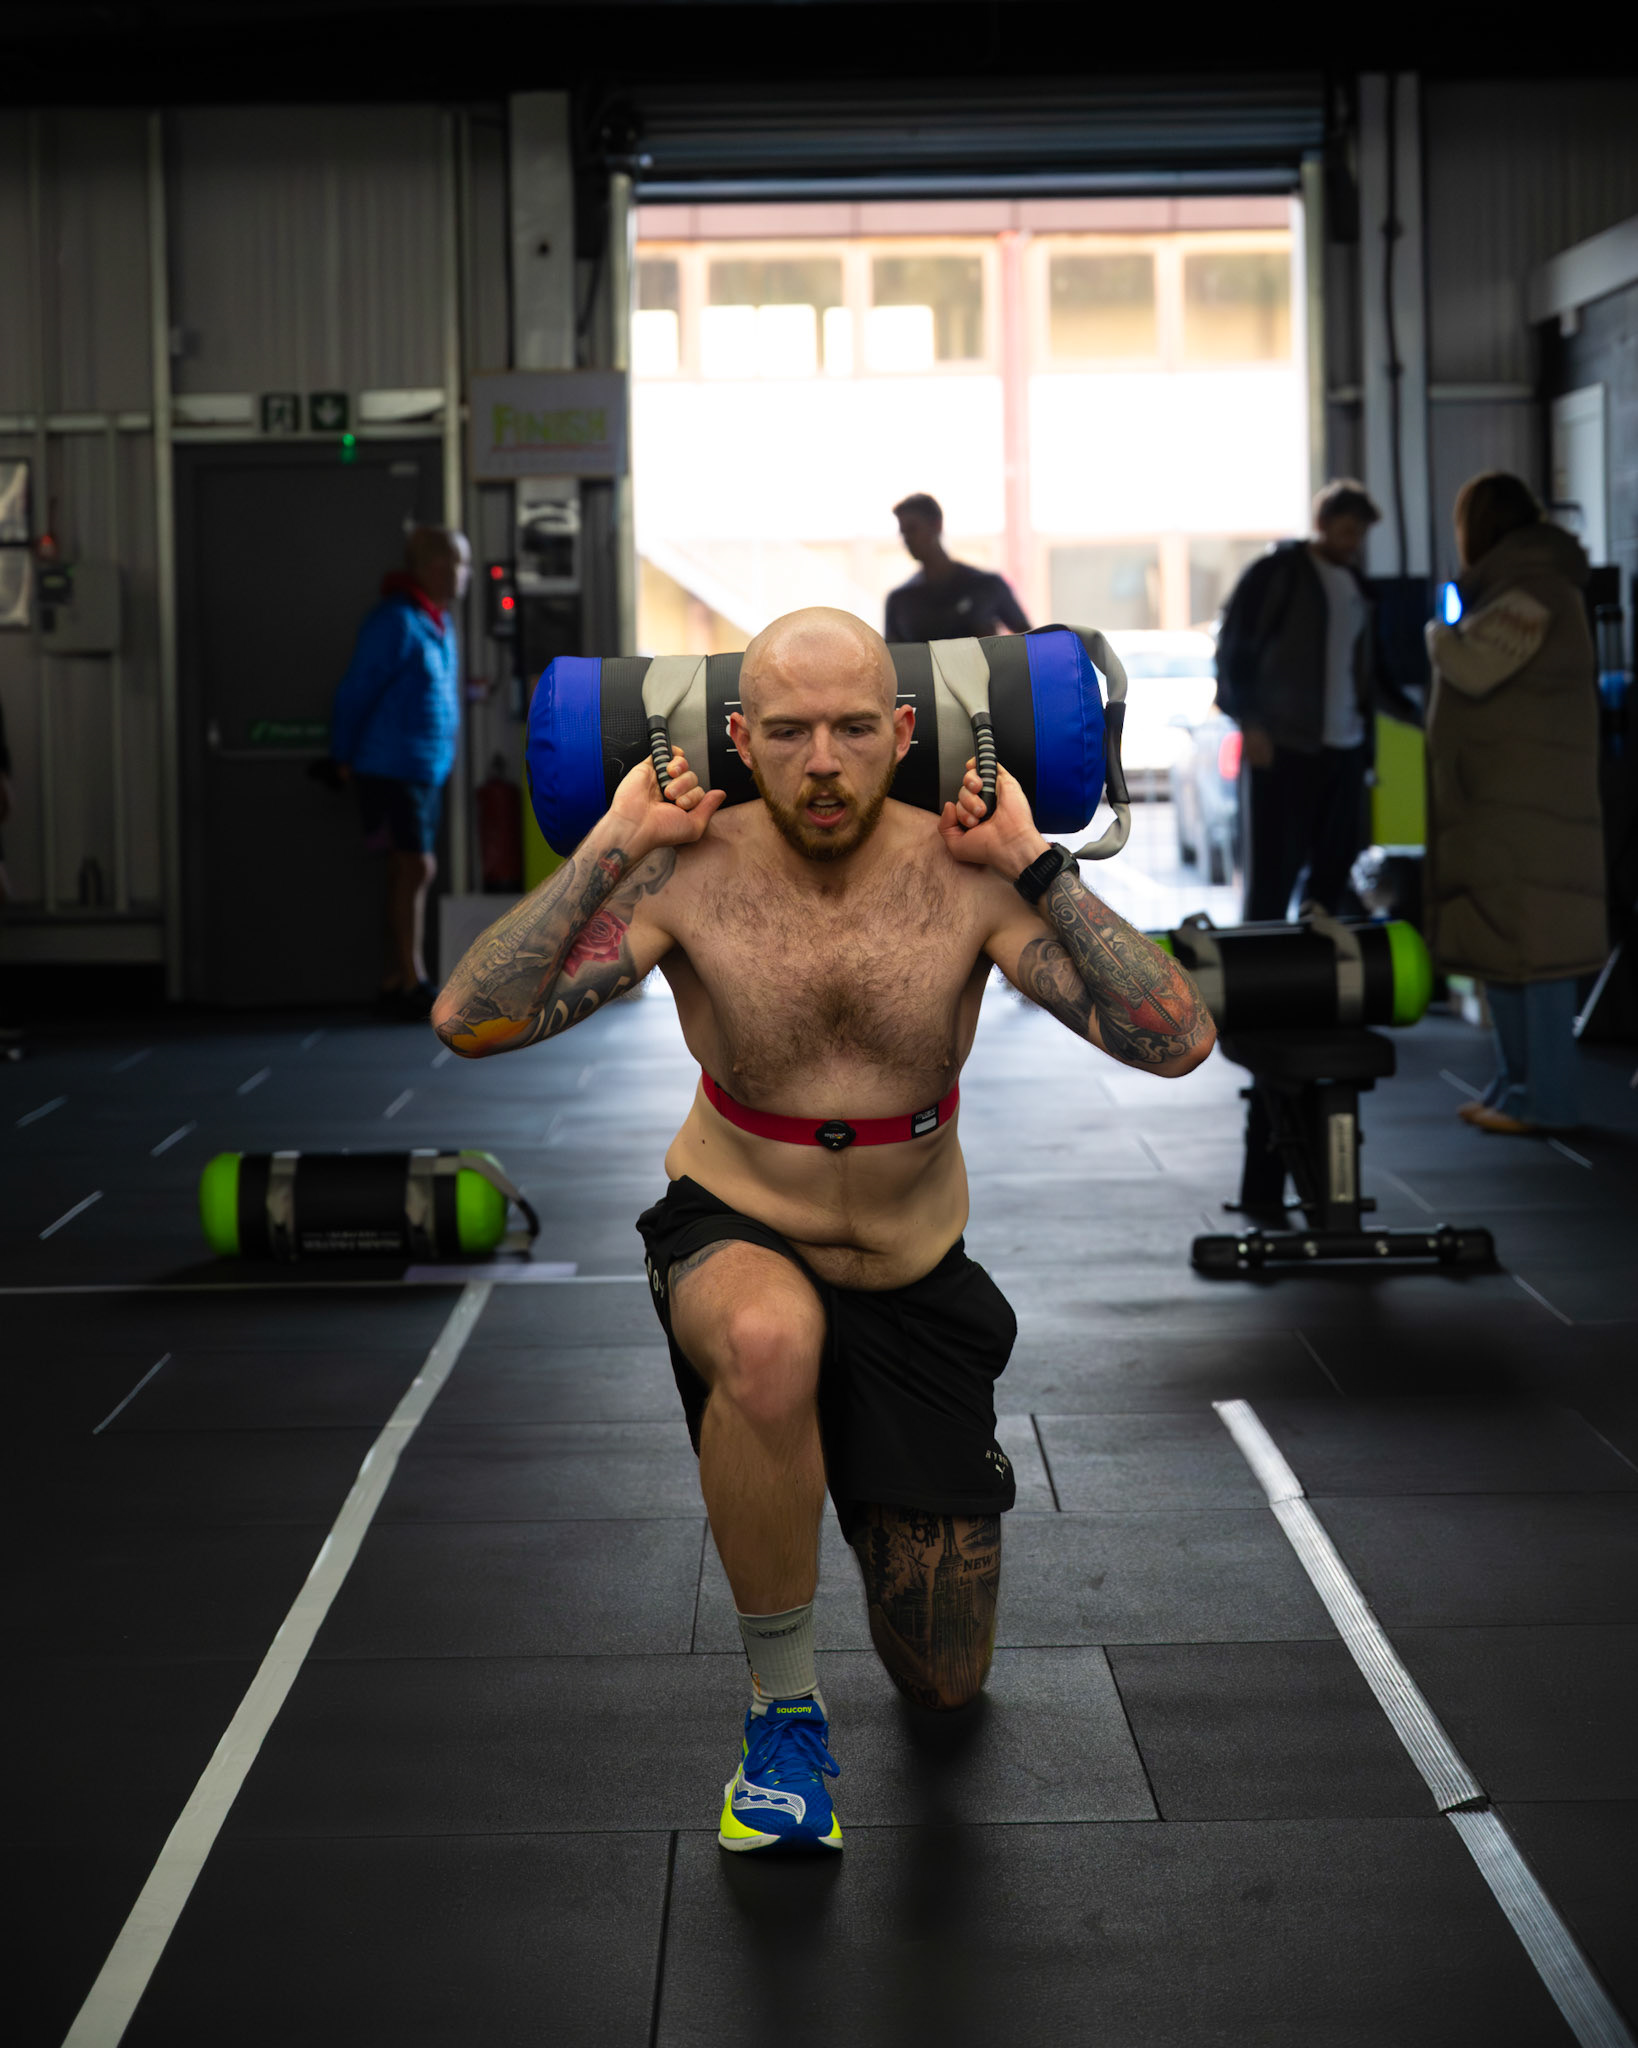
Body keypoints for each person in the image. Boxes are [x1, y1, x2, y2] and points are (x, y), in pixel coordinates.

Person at [433, 607, 1212, 1853]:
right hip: (736, 1219)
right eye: (788, 732)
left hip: (913, 1272)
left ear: (903, 730)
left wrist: (1037, 861)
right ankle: (781, 1720)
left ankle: (834, 1466)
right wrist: (614, 839)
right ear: (740, 739)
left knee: (946, 1682)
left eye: (854, 728)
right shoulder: (687, 869)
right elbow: (471, 1018)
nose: (825, 762)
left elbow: (1176, 1041)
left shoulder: (967, 869)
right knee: (768, 1341)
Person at [1424, 472, 1604, 1134]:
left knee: (1538, 954)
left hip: (1530, 812)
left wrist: (1438, 635)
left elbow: (1474, 667)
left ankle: (1546, 1100)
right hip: (1507, 807)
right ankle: (1514, 1086)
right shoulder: (1516, 588)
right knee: (1503, 948)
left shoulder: (1536, 589)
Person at [1215, 479, 1420, 921]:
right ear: (1322, 524)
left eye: (1359, 534)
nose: (1353, 543)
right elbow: (1234, 651)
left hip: (1345, 748)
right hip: (1284, 745)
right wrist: (1250, 722)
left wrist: (1416, 716)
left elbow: (1370, 671)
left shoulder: (1358, 587)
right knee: (1273, 873)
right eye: (1346, 531)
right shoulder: (1277, 574)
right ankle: (1264, 956)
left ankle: (1321, 953)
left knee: (1335, 866)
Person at [329, 525, 469, 1017]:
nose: (467, 573)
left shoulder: (438, 622)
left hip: (424, 768)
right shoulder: (395, 622)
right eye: (460, 563)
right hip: (390, 766)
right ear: (434, 566)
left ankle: (395, 978)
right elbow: (356, 690)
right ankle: (413, 979)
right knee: (416, 866)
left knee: (404, 869)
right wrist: (341, 755)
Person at [885, 493, 1030, 642]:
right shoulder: (900, 601)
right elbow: (889, 654)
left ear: (936, 525)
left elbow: (1030, 641)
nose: (907, 540)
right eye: (903, 533)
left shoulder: (987, 586)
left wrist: (996, 647)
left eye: (912, 529)